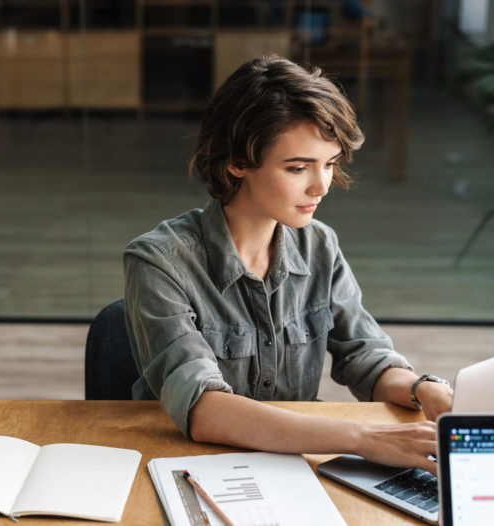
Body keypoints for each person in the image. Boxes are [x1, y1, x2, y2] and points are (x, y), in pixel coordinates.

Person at [123, 55, 453, 475]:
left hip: (295, 465)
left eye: (330, 164)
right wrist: (365, 440)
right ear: (237, 162)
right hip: (184, 467)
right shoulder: (158, 260)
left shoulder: (320, 245)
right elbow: (204, 408)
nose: (321, 186)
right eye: (298, 167)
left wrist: (427, 390)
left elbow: (366, 358)